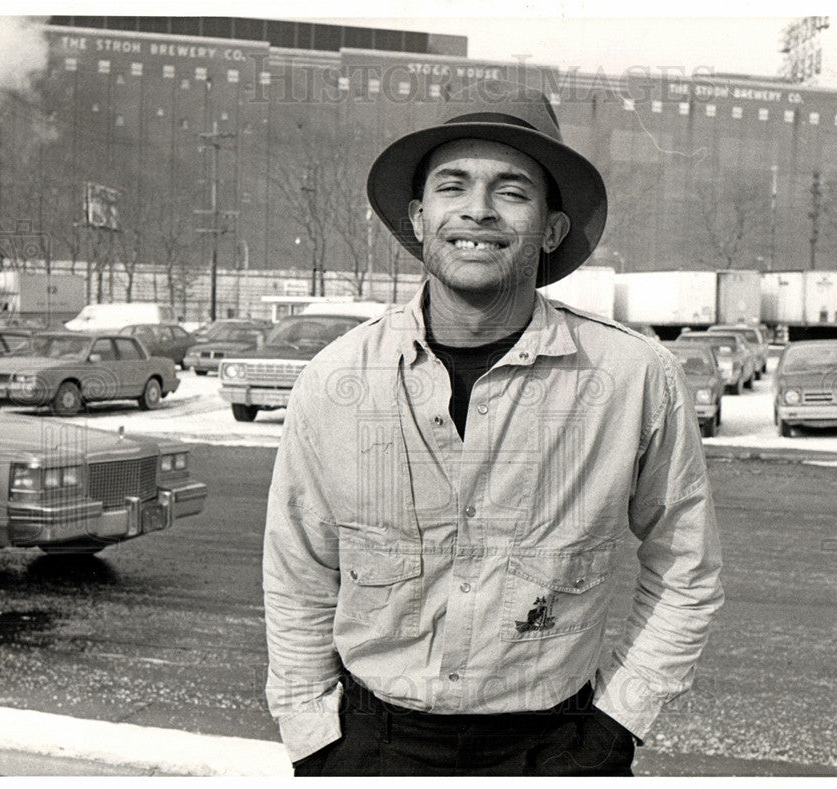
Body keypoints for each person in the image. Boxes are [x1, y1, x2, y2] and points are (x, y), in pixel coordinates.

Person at [263, 79, 723, 777]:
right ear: (420, 217)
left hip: (558, 749)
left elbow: (686, 564)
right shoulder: (334, 380)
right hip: (370, 746)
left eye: (511, 190)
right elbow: (298, 568)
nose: (477, 209)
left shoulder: (634, 379)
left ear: (551, 228)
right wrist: (314, 737)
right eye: (453, 186)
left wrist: (618, 724)